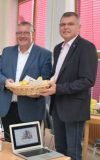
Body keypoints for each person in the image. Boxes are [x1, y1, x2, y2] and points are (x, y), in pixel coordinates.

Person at [40, 12, 97, 160]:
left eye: (70, 24)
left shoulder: (87, 47)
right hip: (57, 106)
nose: (65, 27)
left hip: (74, 109)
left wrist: (58, 88)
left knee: (73, 152)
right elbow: (56, 76)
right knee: (60, 150)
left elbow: (87, 80)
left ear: (79, 27)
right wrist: (45, 84)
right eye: (62, 24)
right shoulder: (58, 48)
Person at [0, 21, 52, 141]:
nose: (22, 36)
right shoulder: (7, 51)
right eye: (19, 33)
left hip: (31, 108)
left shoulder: (44, 54)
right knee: (10, 144)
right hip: (8, 107)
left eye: (26, 32)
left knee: (28, 145)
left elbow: (47, 81)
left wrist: (38, 91)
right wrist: (5, 81)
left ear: (33, 34)